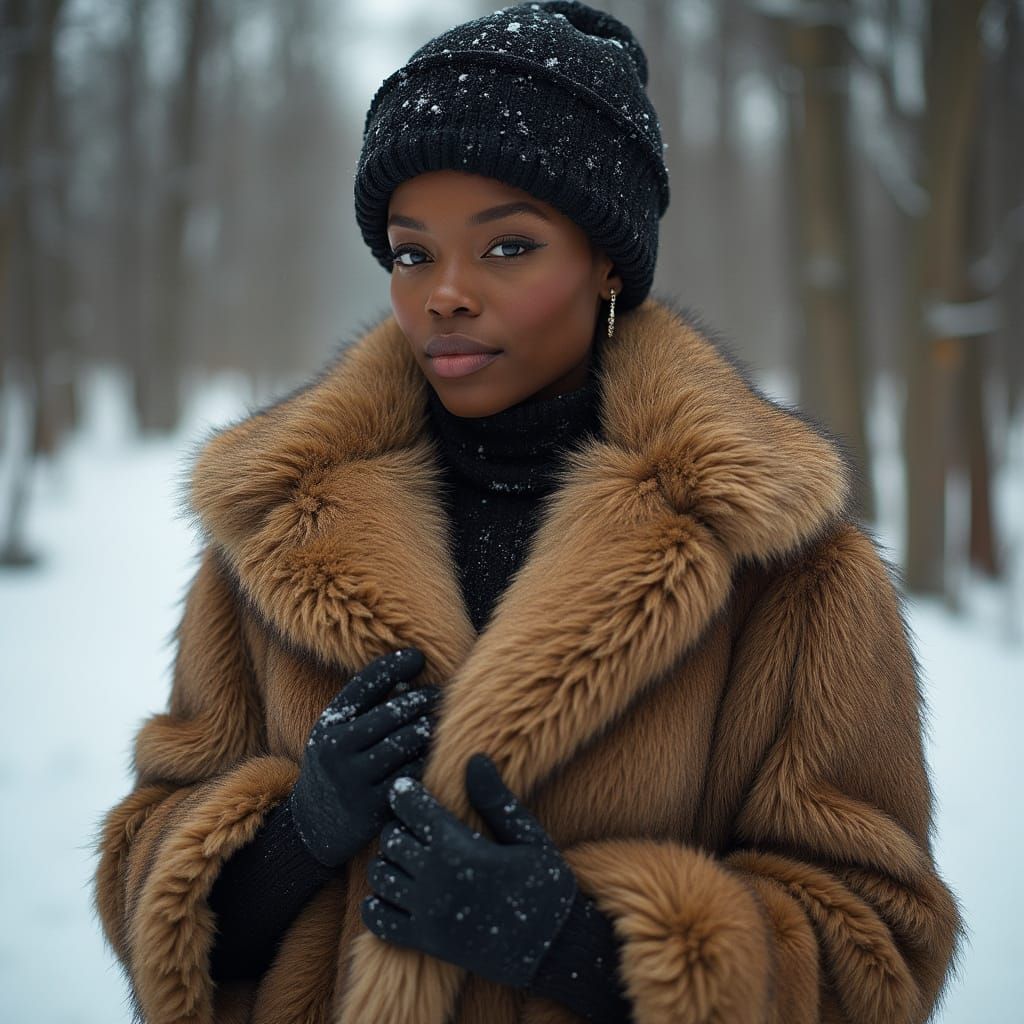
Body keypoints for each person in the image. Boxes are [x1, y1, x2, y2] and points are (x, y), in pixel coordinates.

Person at [92, 3, 962, 1022]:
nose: (445, 295)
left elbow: (880, 949)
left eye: (506, 247)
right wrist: (294, 837)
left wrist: (582, 945)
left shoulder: (783, 568)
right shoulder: (279, 531)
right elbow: (143, 881)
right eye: (412, 253)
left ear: (604, 261)